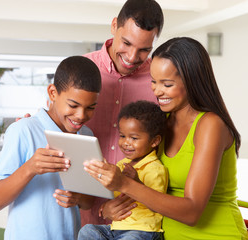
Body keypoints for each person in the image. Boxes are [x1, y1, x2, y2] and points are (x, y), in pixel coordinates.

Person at [83, 37, 248, 239]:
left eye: (167, 84)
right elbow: (147, 187)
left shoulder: (210, 125)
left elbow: (192, 212)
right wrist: (110, 207)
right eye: (153, 81)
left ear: (192, 82)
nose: (157, 91)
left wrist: (124, 185)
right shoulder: (160, 123)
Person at [0, 56, 102, 240]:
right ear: (53, 93)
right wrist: (30, 168)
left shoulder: (87, 136)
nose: (81, 115)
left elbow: (88, 202)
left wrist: (78, 197)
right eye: (73, 105)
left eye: (91, 107)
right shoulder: (23, 130)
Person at [82, 0, 164, 226]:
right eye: (126, 42)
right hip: (81, 212)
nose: (132, 56)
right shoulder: (82, 68)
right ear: (114, 25)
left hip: (134, 217)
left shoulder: (158, 82)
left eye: (144, 49)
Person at [78, 100, 168, 240]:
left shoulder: (155, 169)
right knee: (87, 231)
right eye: (122, 136)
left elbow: (158, 206)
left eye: (134, 138)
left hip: (142, 231)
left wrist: (136, 182)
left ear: (154, 141)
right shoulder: (121, 164)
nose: (126, 143)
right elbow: (112, 193)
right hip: (116, 229)